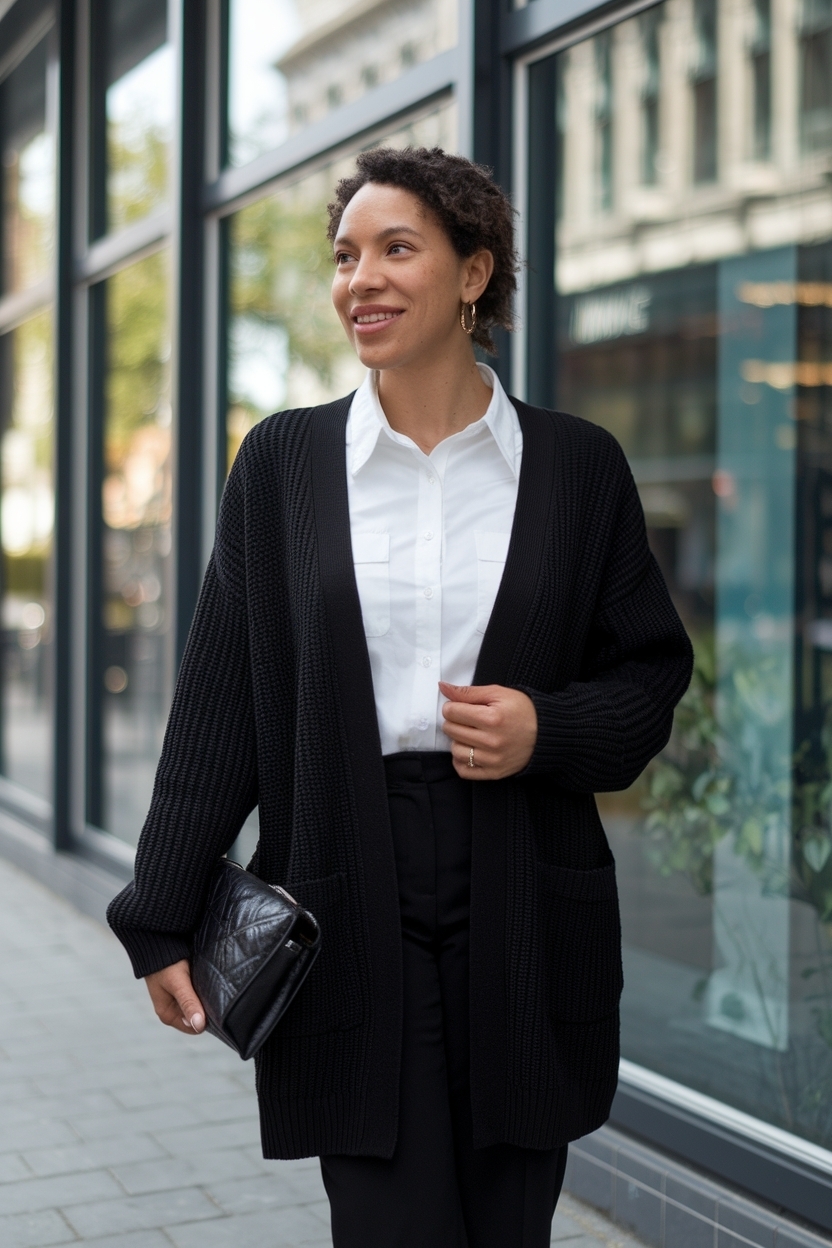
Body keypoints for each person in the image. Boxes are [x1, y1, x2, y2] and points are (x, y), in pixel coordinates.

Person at [108, 146, 693, 1248]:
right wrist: (158, 915)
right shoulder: (281, 464)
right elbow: (220, 701)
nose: (358, 279)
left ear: (474, 274)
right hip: (345, 879)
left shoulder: (577, 468)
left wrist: (544, 727)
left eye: (394, 249)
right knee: (389, 1219)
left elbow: (651, 676)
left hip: (524, 880)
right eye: (343, 256)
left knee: (508, 1215)